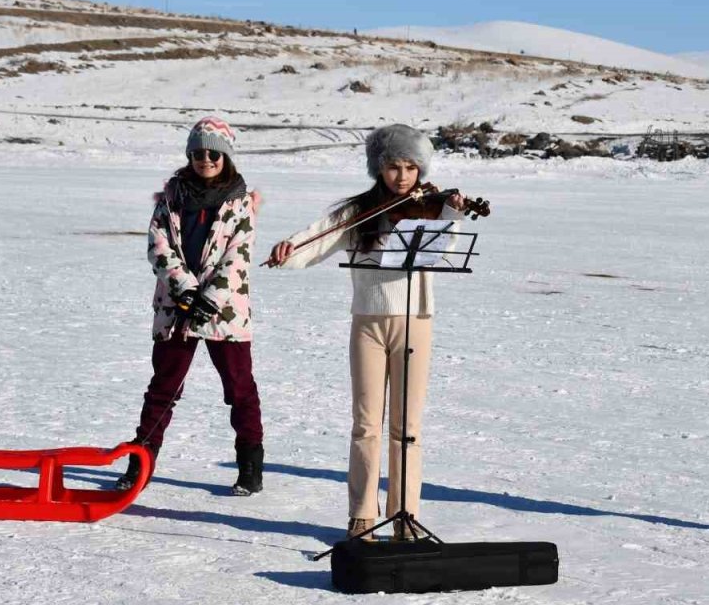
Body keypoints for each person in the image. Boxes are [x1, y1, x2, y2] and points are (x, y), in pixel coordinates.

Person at [267, 124, 467, 541]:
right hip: (368, 323)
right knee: (366, 425)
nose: (403, 176)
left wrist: (452, 213)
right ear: (379, 167)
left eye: (411, 167)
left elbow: (445, 250)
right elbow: (317, 240)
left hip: (416, 322)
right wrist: (289, 250)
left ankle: (404, 514)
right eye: (394, 166)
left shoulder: (431, 206)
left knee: (407, 427)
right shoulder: (359, 211)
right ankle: (361, 513)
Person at [117, 116, 265, 496]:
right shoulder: (171, 197)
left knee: (239, 387)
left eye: (214, 153)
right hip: (175, 306)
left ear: (226, 156)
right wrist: (184, 289)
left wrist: (209, 300)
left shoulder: (240, 203)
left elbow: (239, 257)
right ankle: (141, 462)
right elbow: (158, 245)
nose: (206, 159)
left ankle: (250, 466)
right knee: (163, 387)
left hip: (225, 311)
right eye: (198, 152)